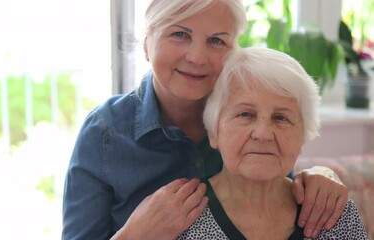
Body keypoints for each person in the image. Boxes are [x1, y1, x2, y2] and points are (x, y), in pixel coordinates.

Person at [62, 0, 348, 239]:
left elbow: (277, 190)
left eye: (216, 40)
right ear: (147, 43)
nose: (197, 57)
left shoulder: (247, 119)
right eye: (179, 34)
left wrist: (319, 177)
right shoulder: (104, 134)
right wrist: (135, 234)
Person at [177, 47, 368, 239]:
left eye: (281, 118)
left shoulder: (334, 215)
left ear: (303, 136)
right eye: (245, 114)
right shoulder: (180, 218)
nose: (263, 134)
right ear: (213, 132)